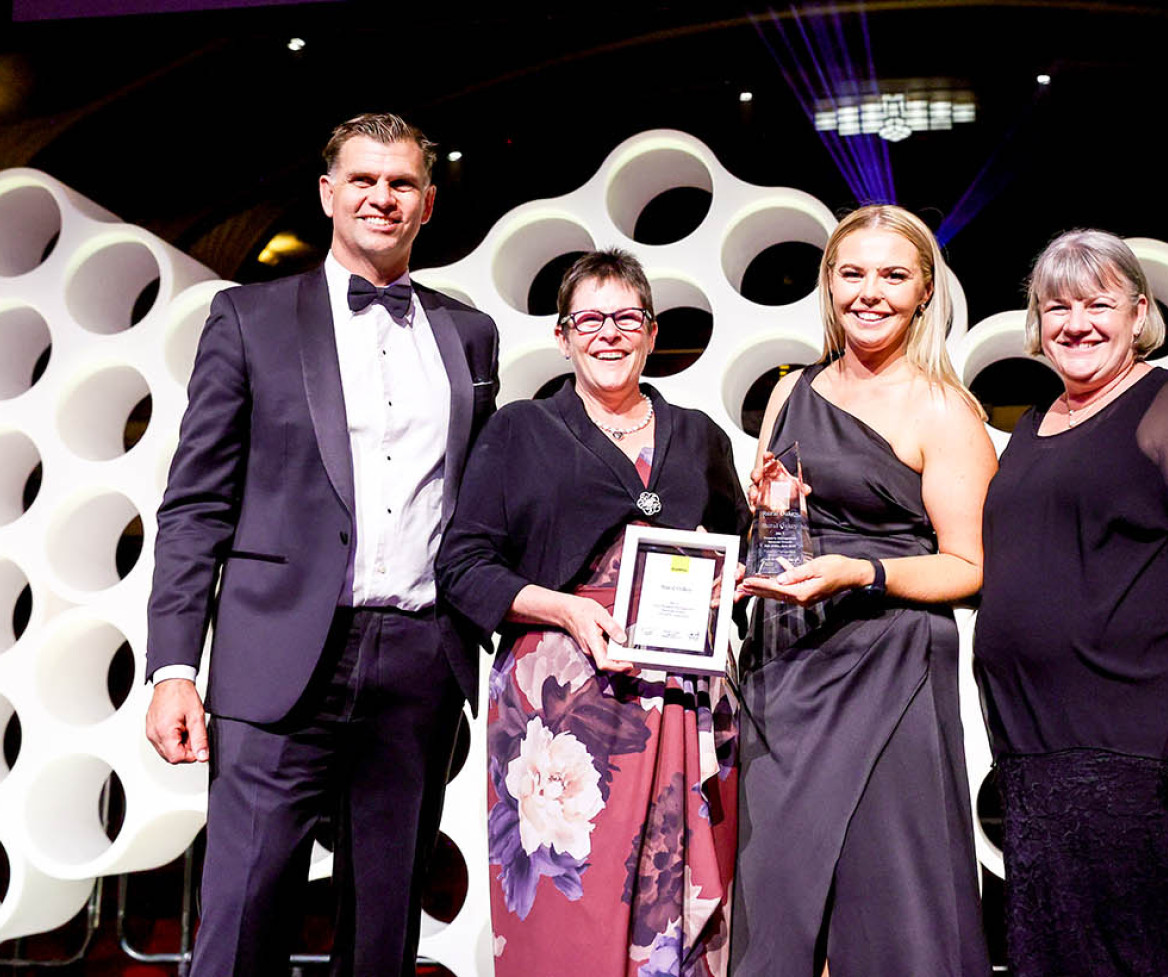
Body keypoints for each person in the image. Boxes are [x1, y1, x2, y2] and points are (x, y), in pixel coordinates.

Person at [144, 112, 500, 976]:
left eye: (403, 183)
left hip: (418, 659)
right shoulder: (247, 320)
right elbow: (195, 507)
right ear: (328, 193)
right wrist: (172, 668)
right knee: (244, 911)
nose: (383, 196)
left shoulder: (470, 334)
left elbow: (477, 505)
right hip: (277, 659)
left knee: (383, 928)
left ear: (427, 203)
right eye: (365, 179)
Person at [437, 248, 748, 976]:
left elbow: (738, 557)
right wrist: (571, 612)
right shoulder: (519, 431)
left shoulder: (698, 436)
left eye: (626, 318)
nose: (608, 333)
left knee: (684, 895)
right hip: (561, 712)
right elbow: (463, 564)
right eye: (589, 319)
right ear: (563, 334)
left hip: (681, 702)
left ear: (650, 331)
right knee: (567, 909)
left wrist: (749, 557)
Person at [974, 228, 1168, 976]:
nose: (1077, 323)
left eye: (1098, 303)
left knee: (1151, 956)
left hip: (1141, 750)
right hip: (1038, 756)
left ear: (1139, 313)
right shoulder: (1030, 427)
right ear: (1037, 324)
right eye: (1057, 306)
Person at [731, 204, 996, 976]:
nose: (869, 291)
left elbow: (971, 567)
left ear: (923, 292)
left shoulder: (944, 410)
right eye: (852, 273)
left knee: (894, 900)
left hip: (892, 667)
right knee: (776, 898)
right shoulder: (791, 393)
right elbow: (781, 552)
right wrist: (777, 524)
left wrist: (865, 572)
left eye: (892, 274)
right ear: (829, 285)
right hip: (790, 668)